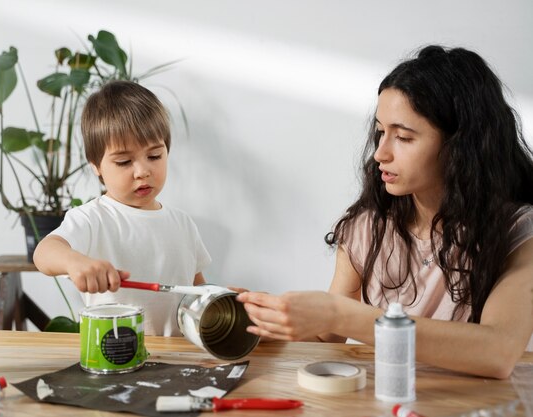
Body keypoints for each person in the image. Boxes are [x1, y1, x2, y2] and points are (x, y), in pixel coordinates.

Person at [237, 45, 533, 379]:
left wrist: (340, 314)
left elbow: (498, 352)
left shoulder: (518, 232)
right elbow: (325, 338)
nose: (380, 153)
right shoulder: (367, 229)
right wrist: (266, 317)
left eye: (404, 137)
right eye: (381, 132)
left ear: (460, 146)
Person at [33, 81, 211, 336]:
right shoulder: (91, 219)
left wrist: (224, 300)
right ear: (96, 165)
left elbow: (197, 293)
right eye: (124, 161)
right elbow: (44, 253)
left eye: (154, 156)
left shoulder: (183, 224)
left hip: (179, 359)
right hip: (115, 359)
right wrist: (74, 261)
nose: (142, 172)